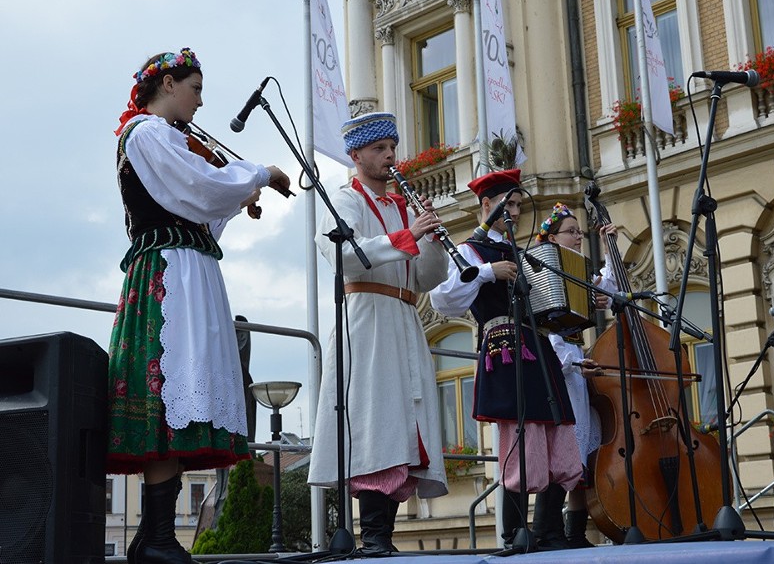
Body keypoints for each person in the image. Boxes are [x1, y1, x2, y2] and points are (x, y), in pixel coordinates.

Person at [107, 48, 291, 564]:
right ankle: (159, 538)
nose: (201, 101)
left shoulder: (167, 138)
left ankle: (153, 536)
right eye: (196, 88)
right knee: (170, 391)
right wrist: (255, 175)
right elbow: (197, 188)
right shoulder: (145, 133)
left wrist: (236, 196)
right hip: (169, 274)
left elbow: (201, 208)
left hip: (190, 270)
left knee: (184, 391)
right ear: (168, 83)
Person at [307, 112, 449, 554]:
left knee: (404, 423)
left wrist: (432, 241)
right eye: (379, 149)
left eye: (392, 147)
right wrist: (409, 234)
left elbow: (425, 279)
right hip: (366, 317)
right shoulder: (343, 199)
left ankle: (382, 537)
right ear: (356, 155)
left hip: (404, 317)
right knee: (375, 422)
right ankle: (372, 538)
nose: (390, 156)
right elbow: (346, 255)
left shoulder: (403, 205)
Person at [429, 169, 582, 549]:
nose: (515, 211)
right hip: (504, 345)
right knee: (520, 434)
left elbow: (545, 303)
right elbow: (442, 298)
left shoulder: (523, 251)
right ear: (487, 205)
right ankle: (515, 532)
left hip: (538, 344)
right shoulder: (470, 250)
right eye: (507, 204)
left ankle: (549, 530)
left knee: (554, 428)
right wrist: (485, 273)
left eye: (516, 204)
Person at [535, 202, 618, 548]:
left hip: (577, 366)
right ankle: (547, 531)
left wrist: (611, 247)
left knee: (583, 451)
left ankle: (574, 532)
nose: (578, 237)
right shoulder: (545, 269)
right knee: (563, 449)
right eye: (571, 232)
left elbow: (611, 289)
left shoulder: (579, 269)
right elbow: (546, 330)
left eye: (580, 232)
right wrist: (570, 362)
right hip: (559, 364)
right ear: (552, 237)